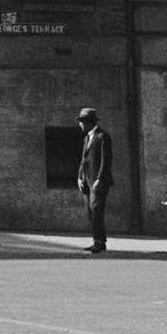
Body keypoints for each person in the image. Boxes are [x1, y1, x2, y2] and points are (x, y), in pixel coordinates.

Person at [77, 106, 112, 255]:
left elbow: (106, 159)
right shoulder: (87, 138)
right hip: (86, 180)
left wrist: (100, 178)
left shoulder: (102, 136)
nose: (80, 125)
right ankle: (96, 240)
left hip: (97, 181)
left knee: (97, 211)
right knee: (90, 212)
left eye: (81, 122)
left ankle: (100, 242)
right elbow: (84, 159)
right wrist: (79, 176)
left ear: (88, 122)